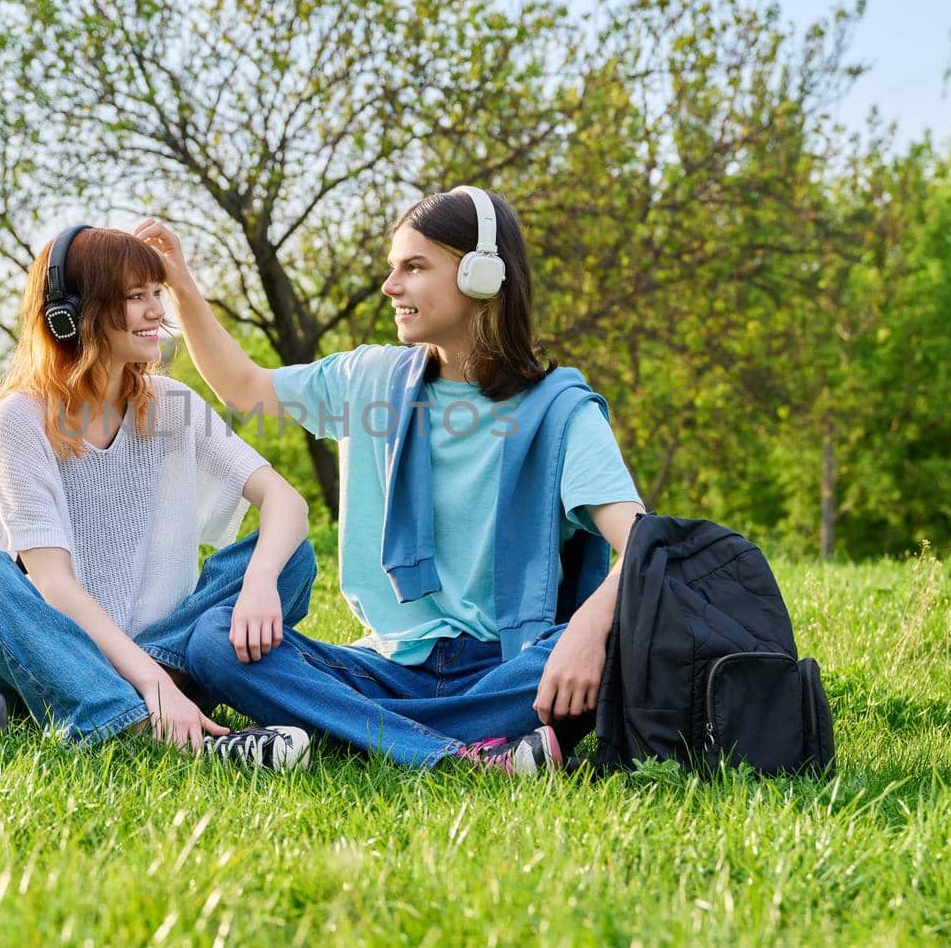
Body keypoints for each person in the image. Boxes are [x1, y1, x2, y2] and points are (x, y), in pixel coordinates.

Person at [136, 188, 645, 773]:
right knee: (214, 640)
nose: (391, 286)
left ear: (482, 275)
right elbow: (244, 386)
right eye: (391, 268)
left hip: (508, 664)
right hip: (385, 665)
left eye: (414, 267)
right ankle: (465, 754)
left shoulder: (561, 411)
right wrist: (179, 284)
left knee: (606, 649)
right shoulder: (367, 379)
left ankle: (348, 728)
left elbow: (643, 546)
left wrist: (586, 629)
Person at [0, 224, 315, 769]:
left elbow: (287, 503)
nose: (157, 310)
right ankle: (161, 730)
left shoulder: (172, 405)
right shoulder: (19, 418)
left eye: (156, 293)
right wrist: (154, 684)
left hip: (155, 654)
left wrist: (257, 585)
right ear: (72, 314)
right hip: (49, 658)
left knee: (288, 557)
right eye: (136, 297)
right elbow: (53, 585)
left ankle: (138, 712)